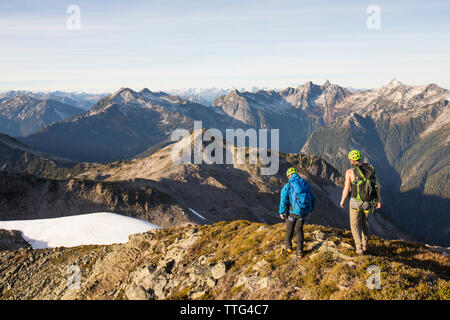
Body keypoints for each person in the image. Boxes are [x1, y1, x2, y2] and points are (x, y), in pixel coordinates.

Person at [340, 150, 382, 255]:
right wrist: (378, 200)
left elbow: (346, 188)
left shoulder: (350, 172)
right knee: (366, 224)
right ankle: (365, 245)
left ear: (352, 160)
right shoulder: (370, 170)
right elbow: (376, 186)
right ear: (359, 159)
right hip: (368, 202)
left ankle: (358, 247)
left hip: (355, 202)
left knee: (354, 225)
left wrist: (343, 200)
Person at [279, 167, 316, 258]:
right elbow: (313, 197)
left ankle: (289, 247)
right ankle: (300, 252)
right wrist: (310, 210)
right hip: (303, 212)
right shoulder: (305, 184)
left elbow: (283, 201)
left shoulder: (287, 186)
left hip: (292, 212)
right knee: (299, 230)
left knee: (289, 229)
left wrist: (282, 212)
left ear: (289, 176)